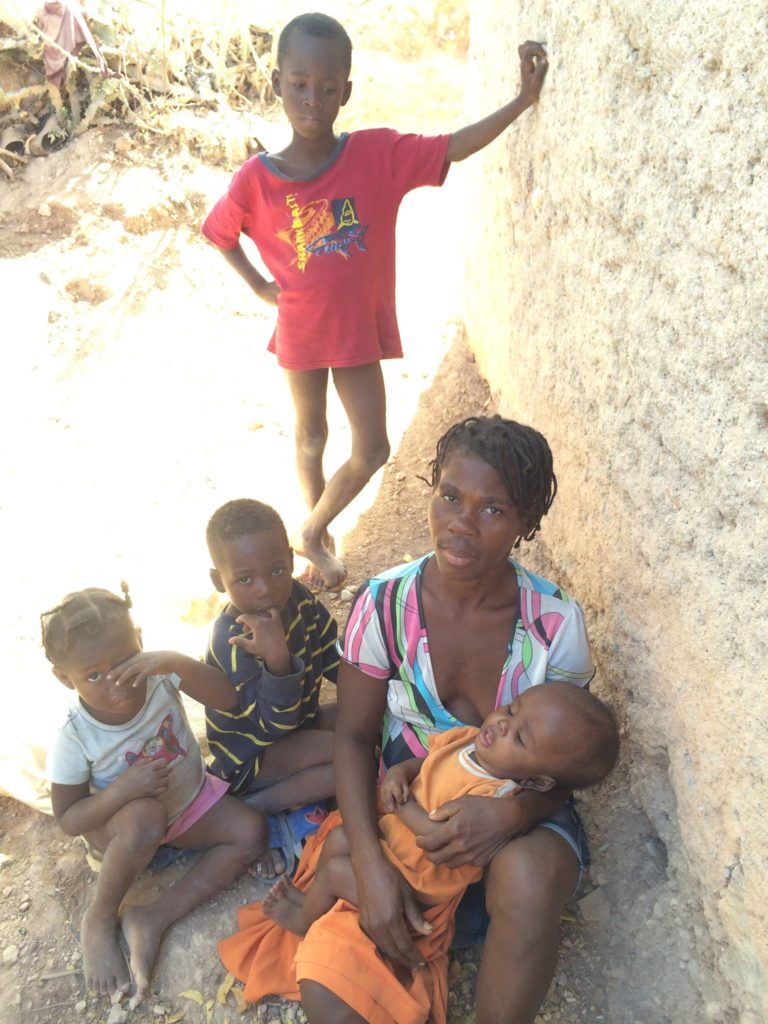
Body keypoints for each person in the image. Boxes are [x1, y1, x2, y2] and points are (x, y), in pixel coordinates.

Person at [215, 415, 598, 1024]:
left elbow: (574, 757)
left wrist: (510, 814)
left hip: (515, 811)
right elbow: (355, 736)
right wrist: (369, 865)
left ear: (526, 523)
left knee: (526, 878)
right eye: (450, 496)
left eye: (494, 510)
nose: (461, 524)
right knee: (335, 1002)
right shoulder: (384, 604)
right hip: (410, 813)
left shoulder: (553, 625)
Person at [202, 12, 548, 589]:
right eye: (299, 83)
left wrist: (521, 100)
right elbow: (218, 232)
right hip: (300, 331)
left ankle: (310, 528)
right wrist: (259, 284)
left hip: (355, 330)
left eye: (328, 87)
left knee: (372, 447)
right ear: (277, 83)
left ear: (347, 92)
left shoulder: (375, 155)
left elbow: (453, 146)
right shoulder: (256, 179)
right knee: (309, 436)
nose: (313, 98)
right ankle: (320, 542)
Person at [262, 683, 618, 955]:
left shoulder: (493, 796)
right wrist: (401, 771)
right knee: (340, 839)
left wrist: (401, 807)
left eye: (520, 738)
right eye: (511, 709)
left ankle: (303, 921)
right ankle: (315, 900)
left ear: (538, 781)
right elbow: (429, 762)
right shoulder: (467, 740)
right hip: (394, 845)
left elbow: (435, 837)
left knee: (340, 870)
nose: (502, 724)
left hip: (417, 883)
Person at [42, 584, 267, 1001]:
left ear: (141, 641)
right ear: (63, 677)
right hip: (124, 831)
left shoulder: (160, 674)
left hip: (186, 807)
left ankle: (153, 918)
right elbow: (69, 820)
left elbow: (227, 700)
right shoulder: (74, 736)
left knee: (251, 832)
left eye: (126, 659)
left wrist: (174, 662)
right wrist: (123, 790)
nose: (117, 681)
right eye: (93, 675)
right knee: (144, 814)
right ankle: (100, 916)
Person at [204, 498, 339, 874]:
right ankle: (251, 812)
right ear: (219, 581)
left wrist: (377, 687)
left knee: (365, 715)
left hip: (300, 724)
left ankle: (298, 799)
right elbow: (271, 727)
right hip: (253, 755)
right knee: (348, 758)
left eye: (277, 569)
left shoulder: (297, 598)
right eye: (245, 579)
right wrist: (277, 658)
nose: (265, 588)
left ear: (291, 561)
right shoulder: (232, 642)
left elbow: (332, 654)